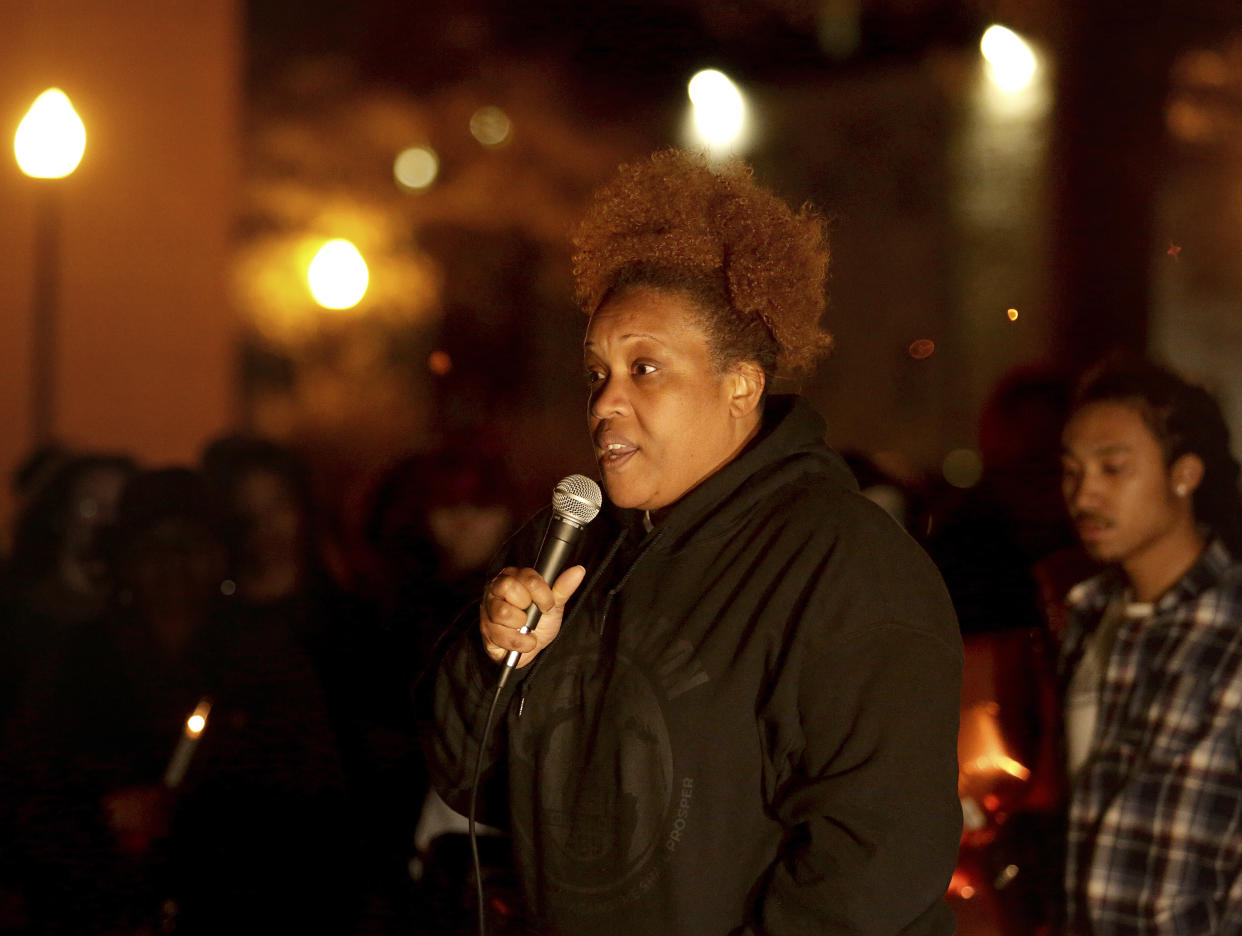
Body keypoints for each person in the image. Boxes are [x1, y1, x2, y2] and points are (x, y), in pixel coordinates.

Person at [425, 149, 963, 936]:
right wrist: (494, 656)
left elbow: (877, 859)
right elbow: (467, 779)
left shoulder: (845, 566)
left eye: (645, 368)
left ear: (741, 383)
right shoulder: (571, 541)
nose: (607, 400)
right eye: (597, 371)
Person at [1058, 358, 1242, 934]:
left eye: (1114, 469)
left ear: (1184, 474)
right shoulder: (1087, 616)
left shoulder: (1230, 626)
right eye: (1070, 471)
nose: (1084, 495)